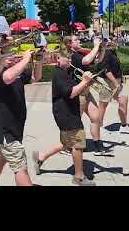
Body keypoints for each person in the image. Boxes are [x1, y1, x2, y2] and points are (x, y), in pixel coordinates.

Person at [32, 48, 96, 186]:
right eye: (67, 57)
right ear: (58, 59)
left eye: (71, 57)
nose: (70, 60)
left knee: (67, 143)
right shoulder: (59, 74)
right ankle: (79, 177)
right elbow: (71, 93)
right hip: (65, 113)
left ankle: (40, 157)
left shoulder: (67, 72)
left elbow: (77, 88)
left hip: (68, 112)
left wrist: (87, 82)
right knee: (78, 143)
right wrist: (84, 82)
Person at [0, 49, 43, 186]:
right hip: (5, 128)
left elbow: (36, 78)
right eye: (9, 57)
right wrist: (26, 59)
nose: (13, 58)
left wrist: (39, 60)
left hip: (15, 126)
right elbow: (8, 77)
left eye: (13, 55)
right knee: (20, 168)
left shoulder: (16, 73)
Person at [66, 35, 111, 156]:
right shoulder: (72, 55)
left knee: (96, 118)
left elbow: (96, 61)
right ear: (69, 44)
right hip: (77, 92)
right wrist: (96, 45)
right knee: (76, 121)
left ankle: (97, 145)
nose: (79, 40)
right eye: (75, 40)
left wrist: (102, 48)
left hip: (86, 91)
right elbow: (86, 61)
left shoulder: (80, 53)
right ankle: (69, 146)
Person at [95, 39, 129, 135]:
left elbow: (116, 68)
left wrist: (121, 78)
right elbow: (107, 71)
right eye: (111, 41)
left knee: (123, 100)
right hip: (106, 82)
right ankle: (99, 126)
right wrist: (116, 83)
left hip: (115, 82)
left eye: (114, 41)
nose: (114, 42)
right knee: (103, 104)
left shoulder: (112, 52)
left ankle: (124, 125)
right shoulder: (106, 53)